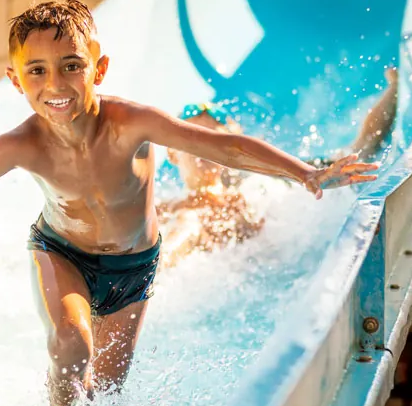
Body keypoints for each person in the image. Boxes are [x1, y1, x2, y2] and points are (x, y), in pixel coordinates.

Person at [0, 0, 378, 406]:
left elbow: (221, 148)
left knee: (107, 396)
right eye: (37, 70)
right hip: (60, 252)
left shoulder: (130, 122)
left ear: (99, 68)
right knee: (70, 346)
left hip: (134, 265)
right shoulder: (19, 144)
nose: (55, 83)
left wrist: (305, 173)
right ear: (16, 81)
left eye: (71, 65)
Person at [160, 67, 398, 268]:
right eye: (193, 141)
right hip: (256, 256)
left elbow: (182, 234)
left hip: (290, 195)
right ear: (172, 153)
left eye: (214, 142)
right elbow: (177, 235)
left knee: (354, 154)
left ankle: (394, 90)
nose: (204, 151)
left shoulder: (247, 191)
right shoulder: (174, 208)